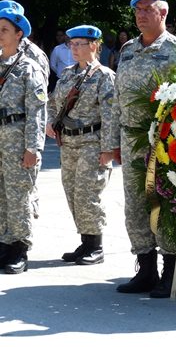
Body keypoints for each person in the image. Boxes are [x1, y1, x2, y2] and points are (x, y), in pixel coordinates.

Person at [111, 0, 176, 297]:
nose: (141, 15)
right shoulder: (128, 49)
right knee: (135, 205)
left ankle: (171, 272)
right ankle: (146, 269)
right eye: (138, 10)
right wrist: (113, 139)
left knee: (165, 203)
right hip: (130, 139)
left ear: (163, 13)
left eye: (147, 10)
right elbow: (117, 99)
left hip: (164, 140)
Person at [46, 25, 115, 265]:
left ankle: (96, 245)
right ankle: (86, 241)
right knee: (72, 192)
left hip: (92, 142)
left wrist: (108, 149)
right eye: (71, 44)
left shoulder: (104, 76)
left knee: (88, 193)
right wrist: (50, 122)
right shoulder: (67, 73)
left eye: (80, 44)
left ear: (94, 45)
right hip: (69, 141)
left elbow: (110, 115)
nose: (74, 48)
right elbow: (54, 102)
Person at [0, 8, 47, 274]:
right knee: (1, 195)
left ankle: (19, 248)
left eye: (4, 30)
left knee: (19, 195)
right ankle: (4, 244)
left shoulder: (30, 68)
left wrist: (33, 148)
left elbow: (38, 111)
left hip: (17, 139)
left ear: (19, 34)